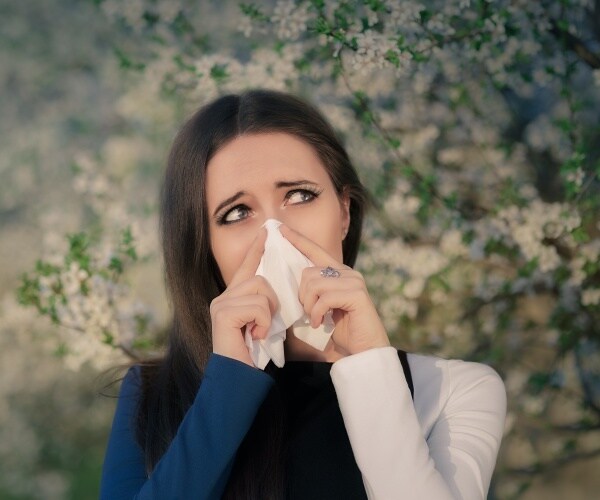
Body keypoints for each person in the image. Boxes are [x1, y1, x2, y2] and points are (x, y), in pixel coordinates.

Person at [99, 89, 506, 499]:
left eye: (299, 195)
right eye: (237, 213)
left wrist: (369, 361)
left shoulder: (455, 390)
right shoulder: (153, 396)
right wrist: (226, 386)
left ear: (344, 213)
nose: (276, 233)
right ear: (206, 247)